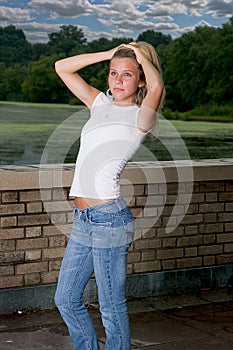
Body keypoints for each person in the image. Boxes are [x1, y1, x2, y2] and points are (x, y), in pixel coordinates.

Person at [54, 41, 165, 350]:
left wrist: (140, 54)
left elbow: (157, 84)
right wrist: (109, 54)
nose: (117, 80)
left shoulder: (141, 117)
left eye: (127, 75)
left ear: (140, 80)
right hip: (83, 219)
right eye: (113, 73)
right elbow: (62, 67)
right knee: (65, 298)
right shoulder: (100, 104)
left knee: (110, 305)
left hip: (109, 221)